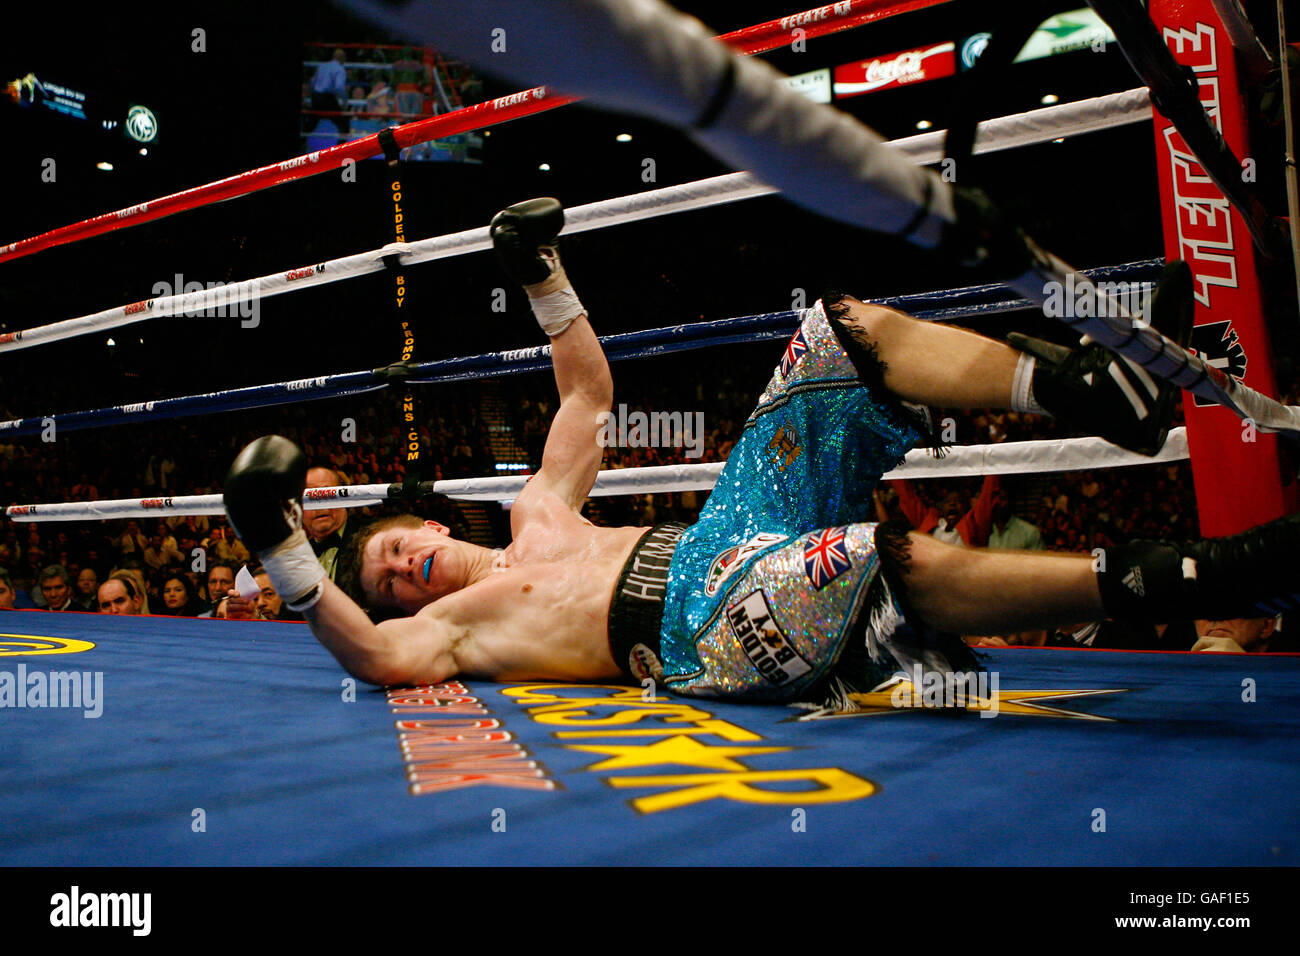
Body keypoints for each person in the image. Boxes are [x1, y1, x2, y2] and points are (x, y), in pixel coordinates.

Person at [223, 199, 1300, 701]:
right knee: (869, 562)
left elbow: (588, 388)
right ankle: (1198, 576)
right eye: (386, 581)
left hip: (728, 525)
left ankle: (1072, 381)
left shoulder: (537, 511)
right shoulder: (454, 629)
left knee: (832, 332)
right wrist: (286, 552)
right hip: (694, 629)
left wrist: (541, 269)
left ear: (427, 523)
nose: (402, 568)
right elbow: (374, 656)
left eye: (394, 547)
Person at [302, 466, 353, 580]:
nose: (319, 506)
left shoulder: (371, 537)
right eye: (309, 498)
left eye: (328, 495)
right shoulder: (298, 558)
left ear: (344, 498)